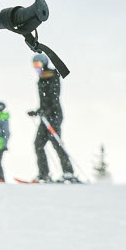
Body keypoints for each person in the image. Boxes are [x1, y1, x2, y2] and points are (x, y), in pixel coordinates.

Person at [31, 53, 78, 183]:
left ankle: (69, 172)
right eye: (34, 66)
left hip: (54, 115)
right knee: (38, 144)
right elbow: (45, 100)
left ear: (44, 63)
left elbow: (54, 98)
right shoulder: (41, 78)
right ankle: (44, 174)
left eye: (38, 64)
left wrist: (46, 111)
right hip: (45, 116)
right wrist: (38, 111)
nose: (37, 68)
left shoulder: (52, 76)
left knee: (56, 142)